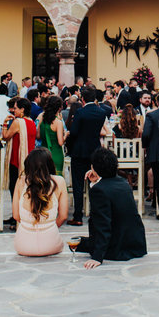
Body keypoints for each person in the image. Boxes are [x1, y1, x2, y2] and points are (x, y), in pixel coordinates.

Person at [76, 147, 147, 268]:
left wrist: (97, 257)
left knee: (76, 242)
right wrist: (95, 182)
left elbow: (103, 224)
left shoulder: (99, 190)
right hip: (135, 244)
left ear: (95, 169)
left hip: (117, 248)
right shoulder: (123, 183)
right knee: (81, 242)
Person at [13, 147, 69, 256]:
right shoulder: (59, 181)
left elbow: (16, 215)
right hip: (51, 244)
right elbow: (63, 216)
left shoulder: (21, 181)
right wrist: (49, 227)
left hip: (23, 245)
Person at [66, 88, 109, 226]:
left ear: (82, 99)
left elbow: (74, 132)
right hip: (94, 150)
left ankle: (78, 216)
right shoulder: (101, 112)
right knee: (94, 183)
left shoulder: (80, 112)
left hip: (79, 151)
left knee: (78, 184)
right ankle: (96, 214)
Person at [141, 93, 159, 217]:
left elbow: (146, 134)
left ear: (156, 102)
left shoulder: (151, 115)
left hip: (157, 151)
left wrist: (145, 146)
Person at [37, 95, 67, 175]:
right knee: (57, 178)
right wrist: (66, 135)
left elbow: (38, 136)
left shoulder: (41, 117)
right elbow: (60, 142)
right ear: (59, 108)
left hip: (43, 153)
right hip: (56, 153)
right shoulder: (58, 122)